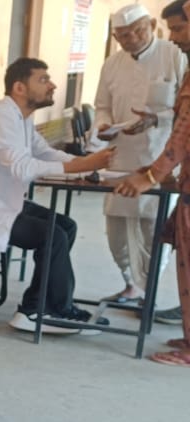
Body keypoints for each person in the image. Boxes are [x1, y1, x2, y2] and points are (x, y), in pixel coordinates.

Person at [0, 58, 115, 334]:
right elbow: (21, 167)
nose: (52, 85)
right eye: (43, 80)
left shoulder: (21, 118)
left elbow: (45, 154)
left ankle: (39, 306)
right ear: (19, 87)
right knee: (53, 235)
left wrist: (88, 166)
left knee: (65, 226)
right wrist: (80, 166)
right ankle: (46, 311)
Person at [94, 3, 186, 305]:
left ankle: (149, 292)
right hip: (121, 158)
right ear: (115, 37)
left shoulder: (174, 55)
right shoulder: (111, 65)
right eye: (123, 35)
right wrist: (103, 125)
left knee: (153, 232)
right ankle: (131, 285)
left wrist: (156, 119)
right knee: (117, 233)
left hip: (159, 160)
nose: (131, 38)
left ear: (152, 26)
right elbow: (102, 106)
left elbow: (182, 112)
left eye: (138, 31)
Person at [115, 0, 190, 367]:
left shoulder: (173, 58)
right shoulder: (114, 64)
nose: (174, 37)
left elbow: (183, 133)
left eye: (179, 28)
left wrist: (150, 176)